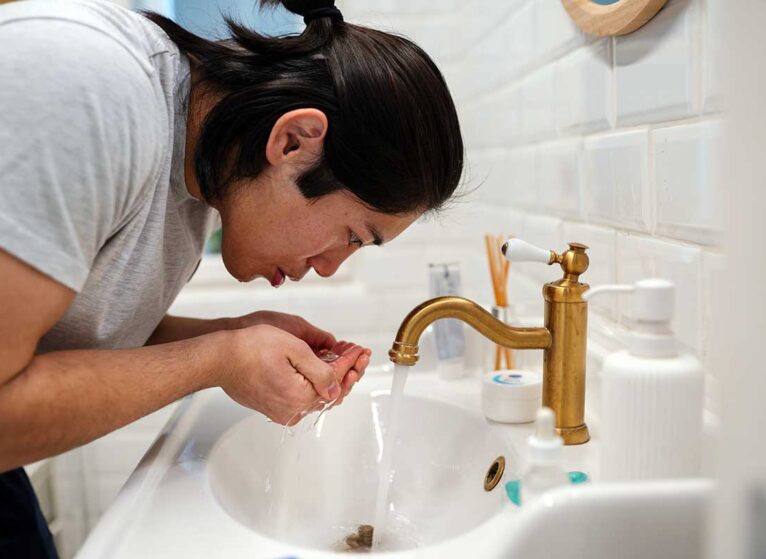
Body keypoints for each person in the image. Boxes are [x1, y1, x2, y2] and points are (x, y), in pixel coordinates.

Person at [0, 0, 464, 556]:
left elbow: (67, 328)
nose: (330, 266)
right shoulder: (87, 85)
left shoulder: (198, 173)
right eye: (353, 235)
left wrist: (233, 335)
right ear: (293, 142)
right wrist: (216, 359)